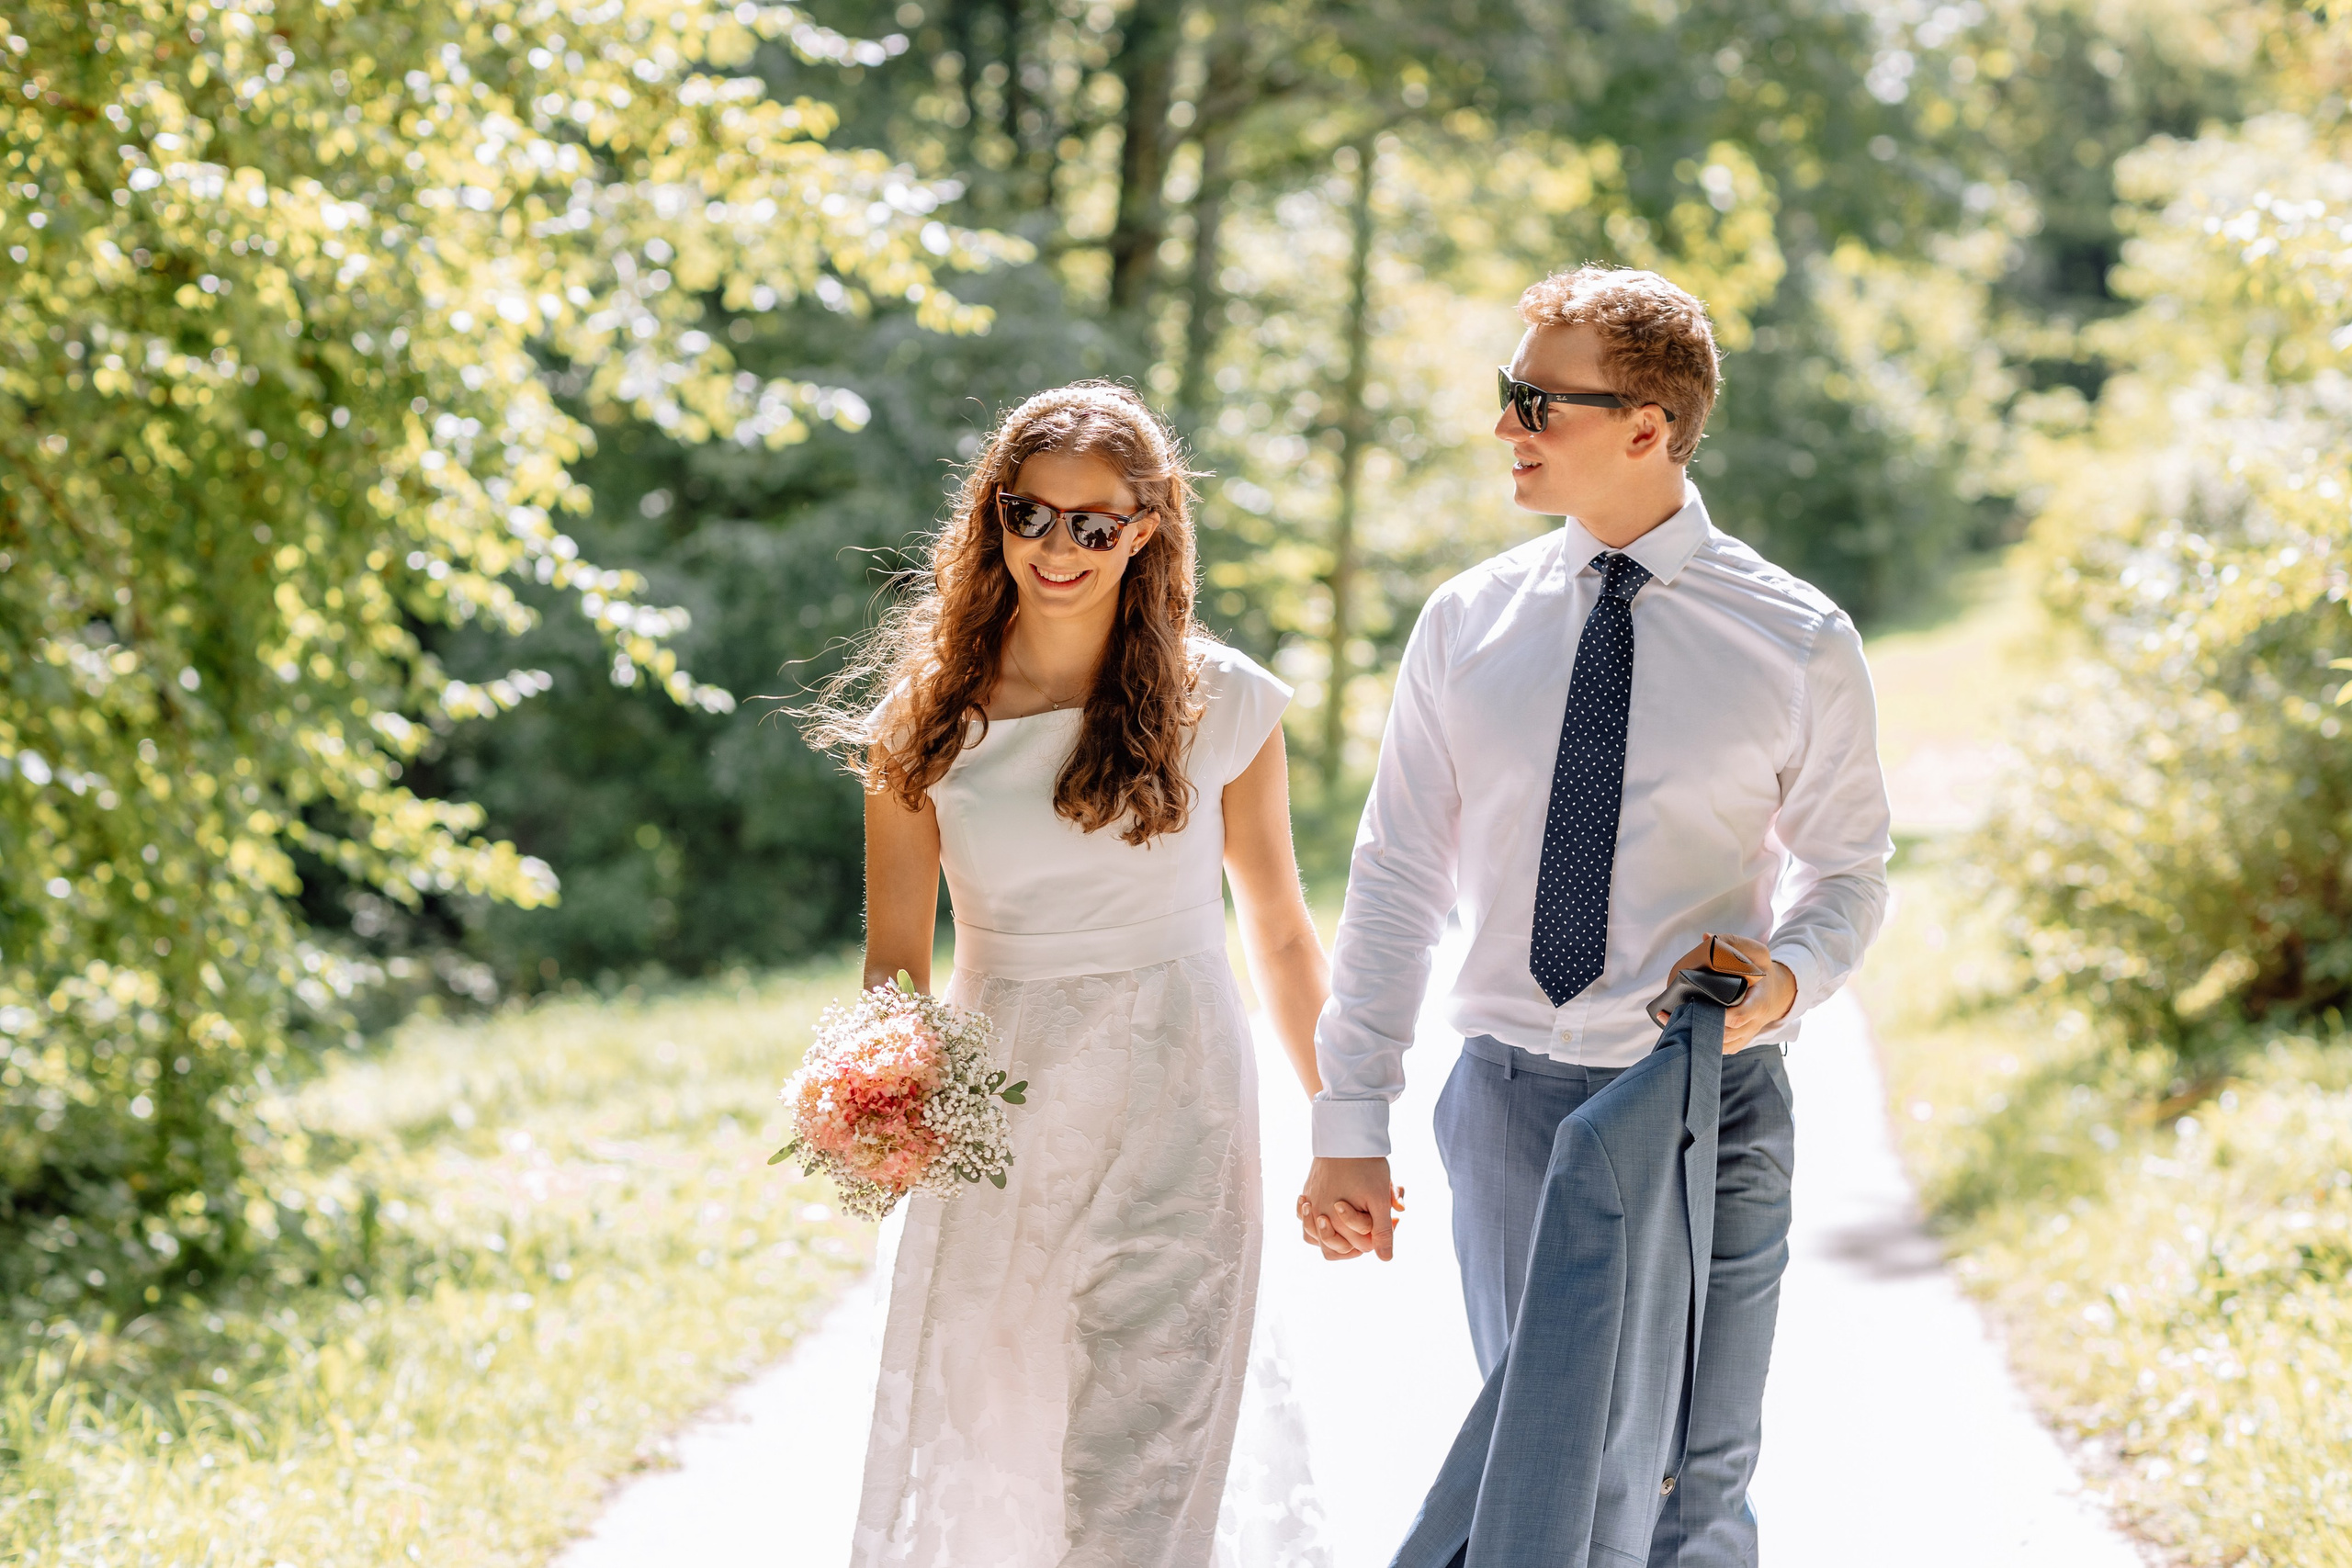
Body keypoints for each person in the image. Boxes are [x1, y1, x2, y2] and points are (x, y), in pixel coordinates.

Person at [1298, 265, 1893, 1564]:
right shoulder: (1467, 623)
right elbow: (1398, 872)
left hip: (1709, 1105)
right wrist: (1353, 1117)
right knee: (1561, 1480)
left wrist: (1783, 983)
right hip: (1517, 1110)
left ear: (1647, 427)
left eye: (1534, 400)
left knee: (1700, 1474)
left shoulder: (1797, 640)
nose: (1504, 425)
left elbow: (1848, 875)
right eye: (1505, 394)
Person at [808, 382, 1331, 1568]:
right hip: (1008, 1124)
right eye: (1031, 516)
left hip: (1184, 1110)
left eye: (1095, 526)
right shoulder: (923, 728)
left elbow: (1285, 936)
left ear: (1146, 530)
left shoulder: (1225, 704)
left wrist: (1347, 1123)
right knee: (1010, 1450)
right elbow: (895, 976)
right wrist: (878, 1113)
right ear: (993, 517)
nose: (1060, 548)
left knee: (1140, 1473)